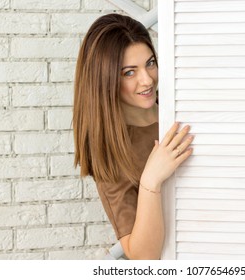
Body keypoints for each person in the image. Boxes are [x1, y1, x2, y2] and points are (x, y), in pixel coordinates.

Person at [73, 13, 194, 260]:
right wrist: (151, 179)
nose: (147, 80)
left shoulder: (182, 104)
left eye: (150, 63)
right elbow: (143, 257)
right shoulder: (110, 151)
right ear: (105, 80)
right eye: (129, 73)